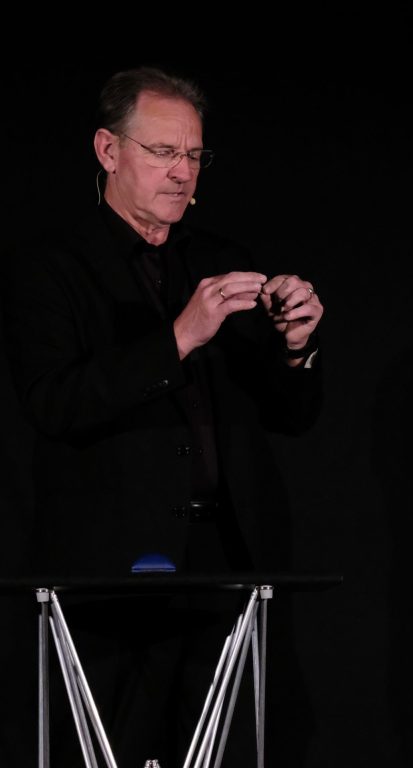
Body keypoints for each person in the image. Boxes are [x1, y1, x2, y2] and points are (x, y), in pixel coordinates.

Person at [2, 67, 323, 766]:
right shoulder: (53, 267)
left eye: (194, 155)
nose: (182, 172)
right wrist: (178, 337)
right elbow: (54, 404)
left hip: (226, 566)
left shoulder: (219, 260)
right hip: (110, 575)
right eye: (163, 152)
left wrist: (296, 347)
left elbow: (289, 416)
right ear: (108, 150)